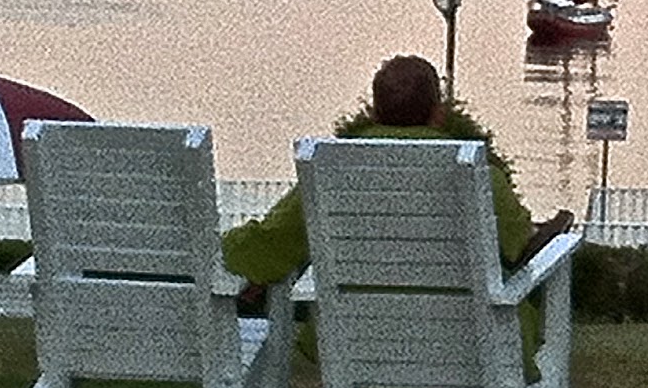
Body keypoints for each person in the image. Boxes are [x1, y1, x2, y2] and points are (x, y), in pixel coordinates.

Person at [222, 54, 571, 291]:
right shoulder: (479, 176)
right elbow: (519, 246)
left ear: (375, 113)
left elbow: (268, 244)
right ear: (438, 114)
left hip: (356, 336)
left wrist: (212, 248)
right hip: (468, 339)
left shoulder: (332, 174)